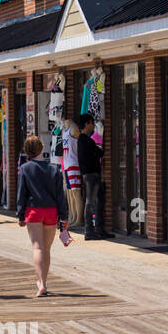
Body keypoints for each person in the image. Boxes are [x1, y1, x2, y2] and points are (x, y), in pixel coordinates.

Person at [17, 136, 71, 297]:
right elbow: (60, 195)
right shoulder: (54, 168)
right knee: (46, 249)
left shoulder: (26, 168)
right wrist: (64, 215)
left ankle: (41, 283)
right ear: (41, 148)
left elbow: (21, 194)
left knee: (38, 248)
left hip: (33, 211)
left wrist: (20, 214)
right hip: (51, 212)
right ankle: (44, 282)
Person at [76, 113, 113, 239]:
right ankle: (89, 231)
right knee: (91, 203)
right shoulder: (85, 140)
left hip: (91, 174)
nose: (93, 126)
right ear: (87, 124)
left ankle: (99, 229)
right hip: (91, 175)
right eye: (92, 123)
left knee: (99, 202)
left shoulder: (83, 140)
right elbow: (100, 152)